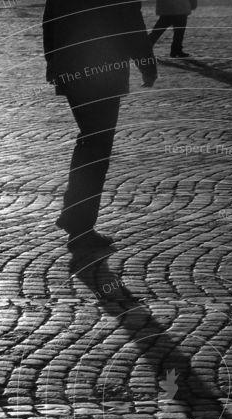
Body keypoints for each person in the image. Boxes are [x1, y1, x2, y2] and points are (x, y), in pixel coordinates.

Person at [42, 0, 157, 250]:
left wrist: (52, 60)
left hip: (70, 66)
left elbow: (50, 18)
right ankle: (79, 222)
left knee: (89, 139)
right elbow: (130, 23)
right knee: (97, 144)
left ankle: (74, 215)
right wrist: (146, 64)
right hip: (104, 70)